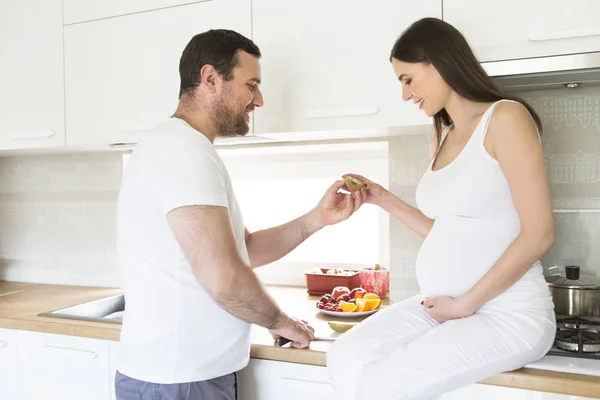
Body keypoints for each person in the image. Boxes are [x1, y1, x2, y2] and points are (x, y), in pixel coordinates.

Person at [115, 29, 366, 400]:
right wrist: (281, 321)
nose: (259, 99)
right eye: (251, 85)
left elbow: (243, 248)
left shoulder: (177, 146)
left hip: (180, 375)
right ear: (211, 78)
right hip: (181, 379)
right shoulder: (183, 150)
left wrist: (318, 218)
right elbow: (224, 279)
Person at [327, 17, 556, 399]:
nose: (405, 95)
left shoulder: (505, 118)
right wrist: (380, 196)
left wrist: (464, 305)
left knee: (379, 386)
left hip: (507, 314)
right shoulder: (442, 135)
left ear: (440, 63)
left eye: (407, 79)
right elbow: (447, 231)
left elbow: (540, 233)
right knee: (344, 357)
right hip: (442, 306)